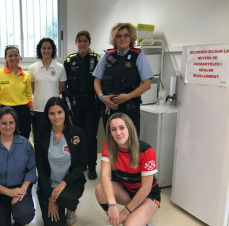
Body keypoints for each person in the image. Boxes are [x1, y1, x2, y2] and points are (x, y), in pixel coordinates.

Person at [95, 113, 160, 226]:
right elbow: (104, 175)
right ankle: (114, 222)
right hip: (126, 191)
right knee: (100, 189)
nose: (118, 133)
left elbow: (146, 188)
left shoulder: (146, 150)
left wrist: (125, 212)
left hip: (148, 196)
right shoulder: (109, 145)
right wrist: (112, 205)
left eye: (122, 127)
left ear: (129, 128)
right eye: (114, 129)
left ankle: (144, 216)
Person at [35, 97, 87, 226]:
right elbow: (40, 168)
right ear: (47, 115)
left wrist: (57, 194)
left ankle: (70, 208)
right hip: (48, 185)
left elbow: (82, 165)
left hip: (70, 183)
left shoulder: (77, 134)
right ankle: (58, 203)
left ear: (66, 112)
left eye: (60, 112)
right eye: (52, 113)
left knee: (66, 199)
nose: (56, 117)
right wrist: (49, 196)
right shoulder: (41, 136)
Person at [93, 23, 154, 135]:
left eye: (126, 35)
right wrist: (102, 97)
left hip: (129, 108)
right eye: (118, 36)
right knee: (111, 141)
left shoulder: (139, 57)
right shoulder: (106, 57)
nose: (122, 38)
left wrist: (128, 96)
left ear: (131, 38)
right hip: (109, 107)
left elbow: (147, 84)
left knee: (130, 142)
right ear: (114, 38)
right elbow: (97, 81)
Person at [64, 30, 100, 180]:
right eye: (79, 41)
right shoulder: (69, 60)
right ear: (76, 43)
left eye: (85, 41)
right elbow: (63, 84)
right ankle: (80, 164)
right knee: (77, 136)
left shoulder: (97, 59)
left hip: (92, 105)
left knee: (91, 137)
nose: (82, 44)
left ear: (89, 43)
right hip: (75, 105)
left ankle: (92, 167)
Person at [0, 45, 33, 139]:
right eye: (10, 56)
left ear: (19, 57)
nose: (13, 58)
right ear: (5, 58)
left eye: (16, 55)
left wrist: (31, 109)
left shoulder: (25, 76)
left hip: (23, 111)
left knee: (23, 137)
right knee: (6, 138)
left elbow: (28, 94)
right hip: (5, 111)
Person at [29, 38, 67, 140]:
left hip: (54, 110)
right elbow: (32, 88)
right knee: (38, 138)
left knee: (54, 137)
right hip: (38, 109)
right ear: (39, 50)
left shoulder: (60, 67)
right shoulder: (33, 67)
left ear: (53, 50)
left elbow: (61, 87)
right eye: (44, 48)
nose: (46, 50)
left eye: (49, 48)